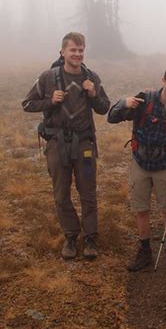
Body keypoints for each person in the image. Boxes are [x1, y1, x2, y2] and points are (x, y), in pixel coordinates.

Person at [22, 32, 110, 260]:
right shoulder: (48, 78)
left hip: (85, 144)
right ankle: (71, 236)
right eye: (73, 50)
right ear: (62, 52)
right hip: (56, 144)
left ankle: (91, 238)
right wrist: (50, 101)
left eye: (81, 50)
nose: (78, 54)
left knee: (88, 192)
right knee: (61, 194)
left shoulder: (91, 77)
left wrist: (93, 93)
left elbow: (104, 108)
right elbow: (28, 103)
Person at [108, 66, 166, 271]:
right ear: (163, 80)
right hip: (140, 163)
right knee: (141, 209)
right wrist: (123, 103)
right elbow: (111, 117)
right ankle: (144, 250)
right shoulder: (144, 99)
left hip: (163, 164)